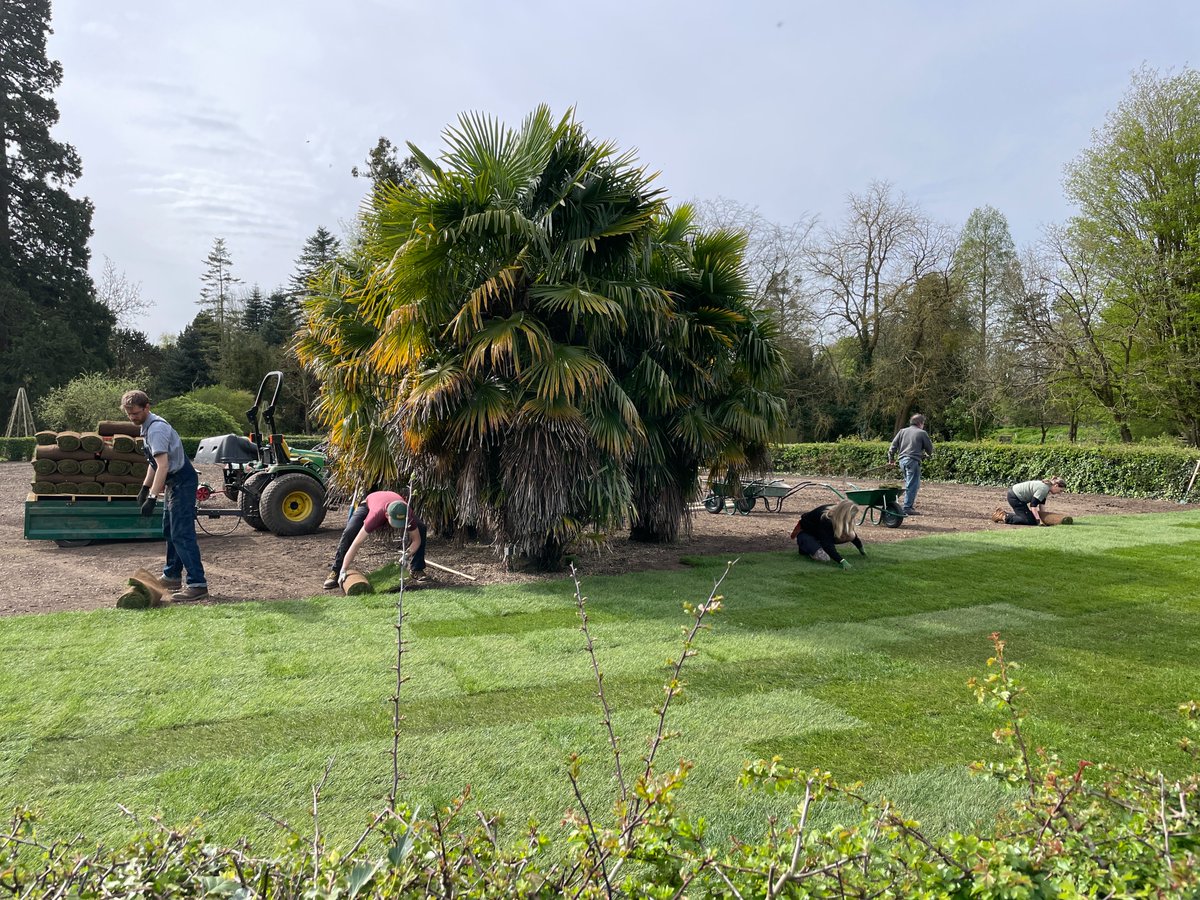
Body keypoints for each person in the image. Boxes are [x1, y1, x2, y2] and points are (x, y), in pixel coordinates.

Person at [121, 390, 208, 601]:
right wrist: (144, 487)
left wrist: (152, 498)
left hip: (182, 481)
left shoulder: (157, 429)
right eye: (129, 413)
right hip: (173, 482)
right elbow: (153, 462)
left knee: (182, 532)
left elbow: (163, 465)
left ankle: (197, 584)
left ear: (147, 407)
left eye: (136, 413)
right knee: (169, 529)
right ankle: (171, 576)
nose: (132, 417)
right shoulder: (147, 427)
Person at [323, 488, 427, 588]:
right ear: (386, 515)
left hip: (394, 504)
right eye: (396, 522)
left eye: (401, 522)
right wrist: (344, 569)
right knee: (350, 531)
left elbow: (416, 540)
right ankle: (336, 571)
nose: (399, 525)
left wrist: (406, 555)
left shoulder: (407, 513)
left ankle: (416, 569)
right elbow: (357, 543)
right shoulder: (375, 516)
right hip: (369, 504)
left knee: (421, 528)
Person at [789, 500, 865, 569]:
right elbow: (828, 544)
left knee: (851, 535)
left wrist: (860, 548)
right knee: (824, 558)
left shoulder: (837, 511)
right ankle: (805, 547)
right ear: (845, 514)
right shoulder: (826, 519)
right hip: (806, 533)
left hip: (819, 533)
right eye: (852, 516)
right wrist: (841, 560)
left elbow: (849, 532)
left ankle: (817, 545)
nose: (852, 518)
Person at [887, 413, 934, 516]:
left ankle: (908, 505)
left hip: (902, 461)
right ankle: (907, 507)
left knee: (912, 483)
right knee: (912, 485)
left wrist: (891, 460)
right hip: (912, 461)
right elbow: (930, 450)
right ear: (920, 423)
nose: (923, 425)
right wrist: (927, 455)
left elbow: (892, 447)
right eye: (923, 423)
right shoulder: (922, 433)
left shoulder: (902, 431)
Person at [996, 476, 1067, 525]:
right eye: (1060, 490)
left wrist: (1044, 517)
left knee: (1032, 518)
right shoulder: (1044, 489)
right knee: (1028, 520)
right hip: (1015, 497)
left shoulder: (1046, 488)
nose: (1059, 493)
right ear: (1056, 485)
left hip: (1016, 496)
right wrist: (1039, 521)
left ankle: (1004, 514)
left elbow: (1041, 504)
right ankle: (1004, 516)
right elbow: (1033, 506)